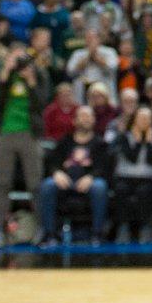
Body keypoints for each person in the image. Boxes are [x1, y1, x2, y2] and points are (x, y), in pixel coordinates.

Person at [0, 45, 50, 247]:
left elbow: (42, 103)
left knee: (35, 184)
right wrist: (5, 73)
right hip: (6, 133)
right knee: (3, 184)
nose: (20, 63)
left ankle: (41, 229)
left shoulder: (38, 75)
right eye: (15, 58)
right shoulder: (6, 76)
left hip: (29, 134)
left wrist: (32, 82)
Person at [39, 105, 110, 246]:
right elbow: (52, 162)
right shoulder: (65, 141)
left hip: (90, 182)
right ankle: (49, 234)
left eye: (89, 116)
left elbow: (105, 167)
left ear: (94, 120)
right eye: (82, 116)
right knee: (47, 185)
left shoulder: (100, 143)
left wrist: (91, 177)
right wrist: (57, 173)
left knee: (100, 187)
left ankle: (97, 234)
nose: (86, 119)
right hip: (65, 181)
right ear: (75, 121)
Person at [111, 105, 152, 244]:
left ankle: (145, 228)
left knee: (144, 192)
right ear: (134, 120)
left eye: (147, 118)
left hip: (147, 178)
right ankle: (123, 227)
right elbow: (131, 158)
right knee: (121, 190)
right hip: (125, 177)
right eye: (141, 118)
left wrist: (150, 142)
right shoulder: (123, 137)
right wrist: (138, 142)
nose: (144, 121)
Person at [66, 29, 118, 104]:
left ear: (99, 39)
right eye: (88, 38)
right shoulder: (78, 53)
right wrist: (88, 55)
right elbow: (70, 71)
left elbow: (112, 68)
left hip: (104, 89)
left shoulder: (109, 52)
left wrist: (96, 56)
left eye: (93, 38)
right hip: (83, 92)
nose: (90, 40)